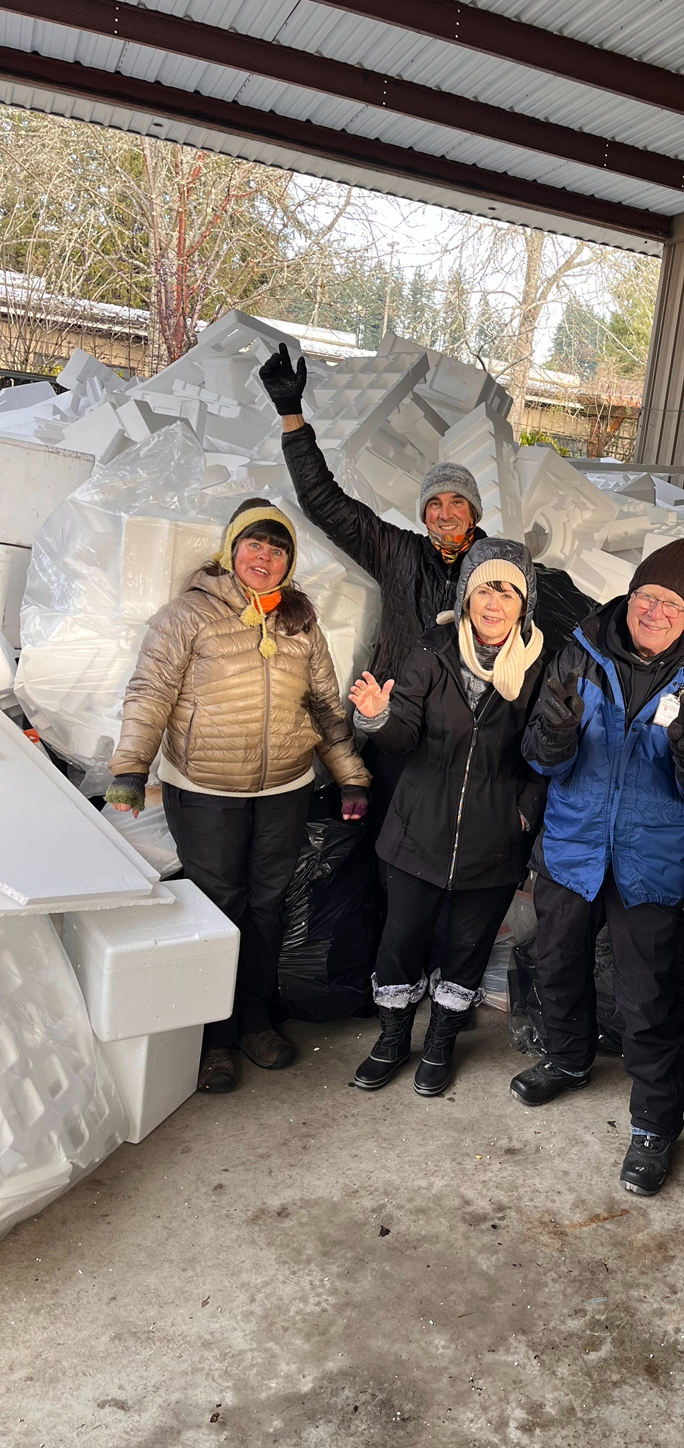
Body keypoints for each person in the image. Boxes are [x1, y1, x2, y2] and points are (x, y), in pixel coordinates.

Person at [105, 500, 370, 1095]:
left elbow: (327, 708)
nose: (265, 557)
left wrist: (351, 776)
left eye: (278, 549)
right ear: (232, 550)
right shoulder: (188, 615)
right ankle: (214, 1040)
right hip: (205, 790)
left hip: (284, 787)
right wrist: (129, 767)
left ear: (288, 562)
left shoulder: (300, 623)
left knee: (268, 905)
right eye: (255, 544)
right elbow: (149, 692)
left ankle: (254, 1019)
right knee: (218, 904)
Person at [512, 537, 684, 1197]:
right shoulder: (578, 653)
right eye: (647, 596)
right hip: (574, 843)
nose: (655, 611)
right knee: (556, 964)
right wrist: (551, 733)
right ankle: (568, 1058)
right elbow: (540, 759)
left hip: (649, 857)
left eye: (671, 603)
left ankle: (655, 1127)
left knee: (647, 997)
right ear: (630, 597)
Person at [346, 539, 547, 1096]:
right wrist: (377, 717)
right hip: (419, 829)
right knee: (401, 940)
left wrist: (524, 815)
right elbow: (403, 732)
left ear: (522, 603)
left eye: (507, 590)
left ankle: (440, 1044)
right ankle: (391, 1041)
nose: (493, 601)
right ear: (465, 595)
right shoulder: (432, 650)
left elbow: (546, 757)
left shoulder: (540, 668)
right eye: (484, 587)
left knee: (468, 945)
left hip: (494, 836)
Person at [257, 344, 487, 810]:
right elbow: (324, 502)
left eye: (457, 503)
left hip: (468, 729)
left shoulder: (496, 567)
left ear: (474, 510)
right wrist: (291, 415)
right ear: (423, 514)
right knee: (386, 839)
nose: (446, 514)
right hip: (394, 718)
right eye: (435, 504)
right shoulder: (397, 550)